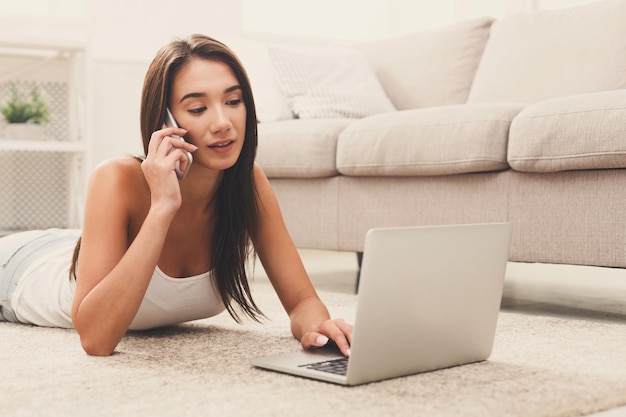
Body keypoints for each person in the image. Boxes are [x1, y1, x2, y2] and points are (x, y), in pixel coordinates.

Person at [0, 34, 353, 357]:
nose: (222, 122)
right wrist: (162, 208)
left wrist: (318, 328)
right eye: (198, 109)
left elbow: (302, 301)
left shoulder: (248, 183)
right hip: (19, 269)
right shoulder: (116, 179)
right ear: (165, 120)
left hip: (66, 247)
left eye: (233, 101)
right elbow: (95, 340)